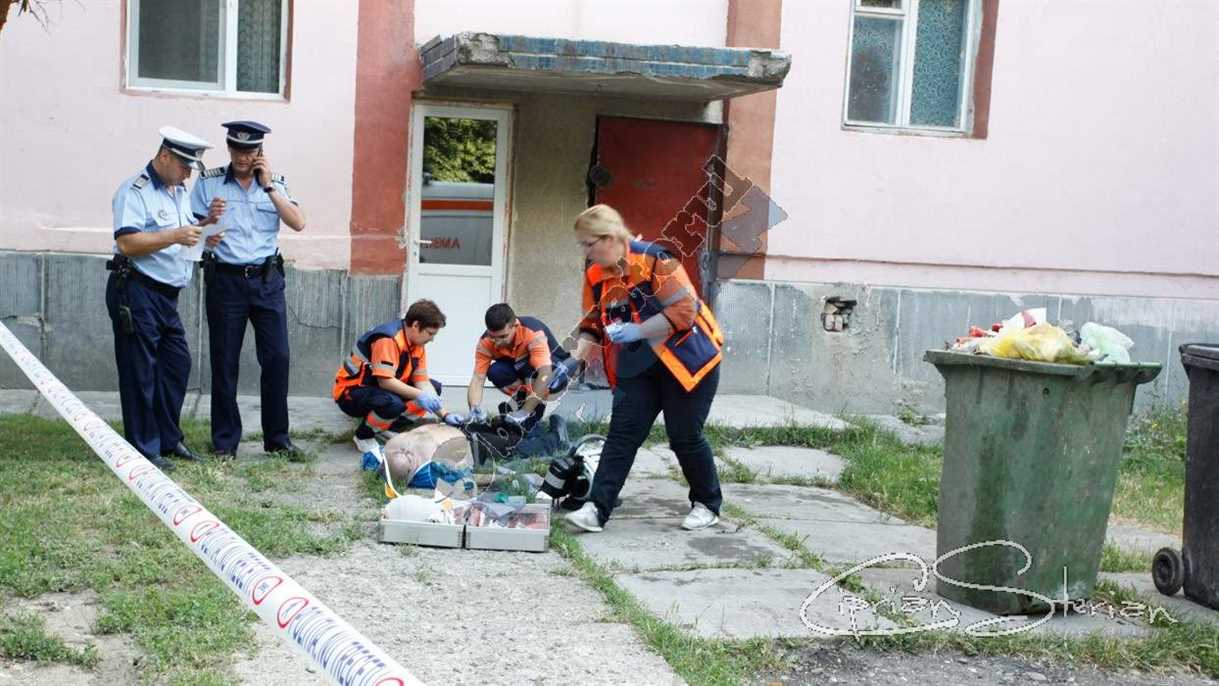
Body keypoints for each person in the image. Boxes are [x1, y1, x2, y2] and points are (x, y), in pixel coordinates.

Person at [565, 204, 725, 533]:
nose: (585, 252)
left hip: (686, 363)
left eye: (588, 244)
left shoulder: (655, 260)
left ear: (609, 238)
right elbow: (592, 323)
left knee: (684, 437)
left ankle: (707, 504)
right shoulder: (596, 276)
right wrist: (574, 359)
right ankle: (597, 509)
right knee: (622, 435)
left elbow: (684, 311)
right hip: (639, 366)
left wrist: (638, 330)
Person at [106, 126, 223, 473]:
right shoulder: (135, 191)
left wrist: (206, 228)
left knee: (176, 364)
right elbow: (127, 242)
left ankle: (168, 439)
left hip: (166, 295)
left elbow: (181, 233)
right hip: (136, 290)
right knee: (140, 372)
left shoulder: (177, 190)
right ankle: (144, 447)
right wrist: (175, 235)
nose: (188, 174)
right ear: (165, 156)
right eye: (185, 166)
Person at [191, 121, 306, 459]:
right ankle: (225, 441)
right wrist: (206, 225)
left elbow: (298, 222)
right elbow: (191, 233)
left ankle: (277, 438)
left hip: (266, 280)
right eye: (237, 149)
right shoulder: (209, 182)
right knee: (224, 361)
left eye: (249, 150)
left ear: (259, 152)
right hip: (226, 281)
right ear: (229, 148)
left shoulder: (275, 183)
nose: (242, 156)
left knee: (277, 358)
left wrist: (268, 187)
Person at [332, 299, 454, 458]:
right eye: (430, 333)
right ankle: (364, 436)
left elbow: (422, 382)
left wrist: (445, 415)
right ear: (416, 325)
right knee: (393, 404)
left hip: (377, 388)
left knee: (434, 388)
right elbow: (385, 381)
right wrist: (421, 395)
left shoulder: (417, 344)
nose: (432, 339)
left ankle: (386, 427)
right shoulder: (388, 339)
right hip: (351, 393)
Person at [465, 303, 582, 426]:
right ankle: (522, 401)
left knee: (528, 366)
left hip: (555, 372)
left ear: (515, 326)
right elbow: (478, 378)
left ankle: (531, 414)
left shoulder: (532, 334)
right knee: (496, 371)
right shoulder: (485, 342)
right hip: (523, 369)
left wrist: (524, 412)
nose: (497, 342)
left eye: (503, 336)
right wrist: (474, 408)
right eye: (493, 337)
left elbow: (545, 373)